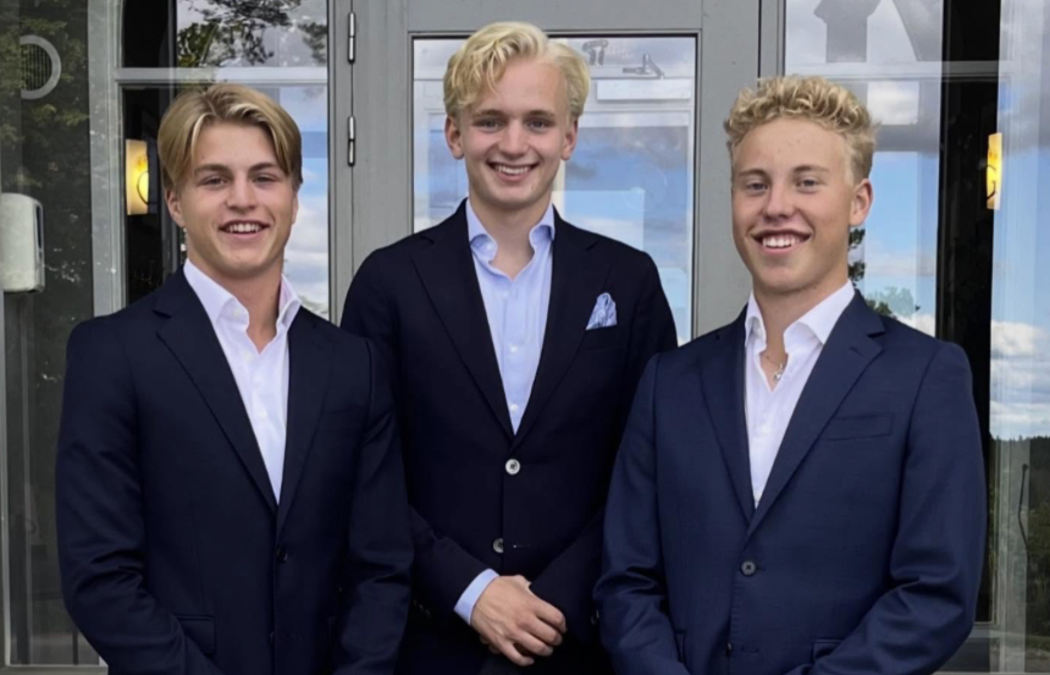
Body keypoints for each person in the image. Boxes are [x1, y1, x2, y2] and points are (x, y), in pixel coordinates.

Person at [595, 75, 986, 675]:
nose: (776, 206)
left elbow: (935, 595)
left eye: (807, 182)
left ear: (859, 201)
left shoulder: (926, 377)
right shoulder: (668, 383)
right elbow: (627, 582)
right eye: (755, 184)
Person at [341, 21, 676, 675]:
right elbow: (363, 471)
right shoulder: (389, 282)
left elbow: (648, 467)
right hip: (431, 646)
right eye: (490, 121)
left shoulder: (628, 281)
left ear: (569, 136)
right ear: (455, 134)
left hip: (580, 644)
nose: (514, 144)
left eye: (538, 122)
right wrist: (471, 590)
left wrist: (552, 600)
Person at [56, 83, 412, 675]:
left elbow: (381, 567)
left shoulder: (354, 365)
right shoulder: (111, 355)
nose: (242, 200)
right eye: (214, 180)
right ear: (175, 202)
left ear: (294, 196)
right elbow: (99, 578)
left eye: (265, 178)